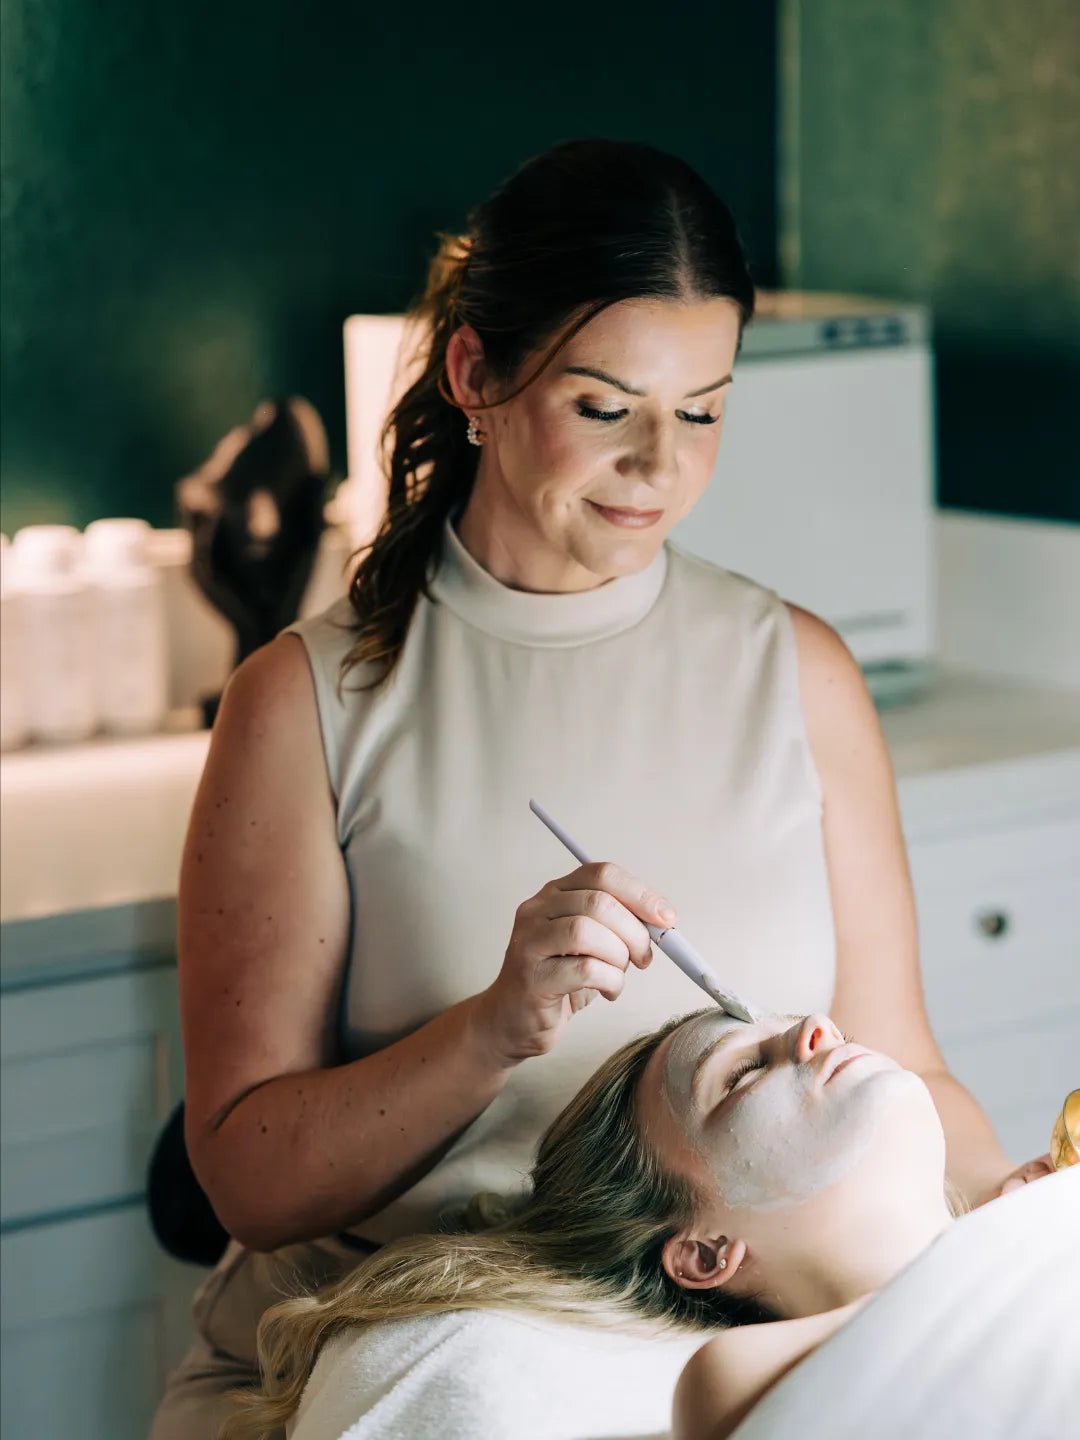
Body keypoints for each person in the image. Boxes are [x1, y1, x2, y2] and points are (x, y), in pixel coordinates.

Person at [149, 137, 1037, 1440]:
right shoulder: (307, 702)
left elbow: (904, 1065)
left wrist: (1014, 1201)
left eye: (704, 411)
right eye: (606, 407)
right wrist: (495, 1025)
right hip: (400, 1350)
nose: (660, 468)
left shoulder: (798, 672)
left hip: (702, 1345)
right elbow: (247, 1186)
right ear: (478, 376)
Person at [214, 1010, 1064, 1440]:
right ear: (703, 1253)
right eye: (742, 1075)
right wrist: (993, 1251)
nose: (816, 1029)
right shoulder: (735, 1377)